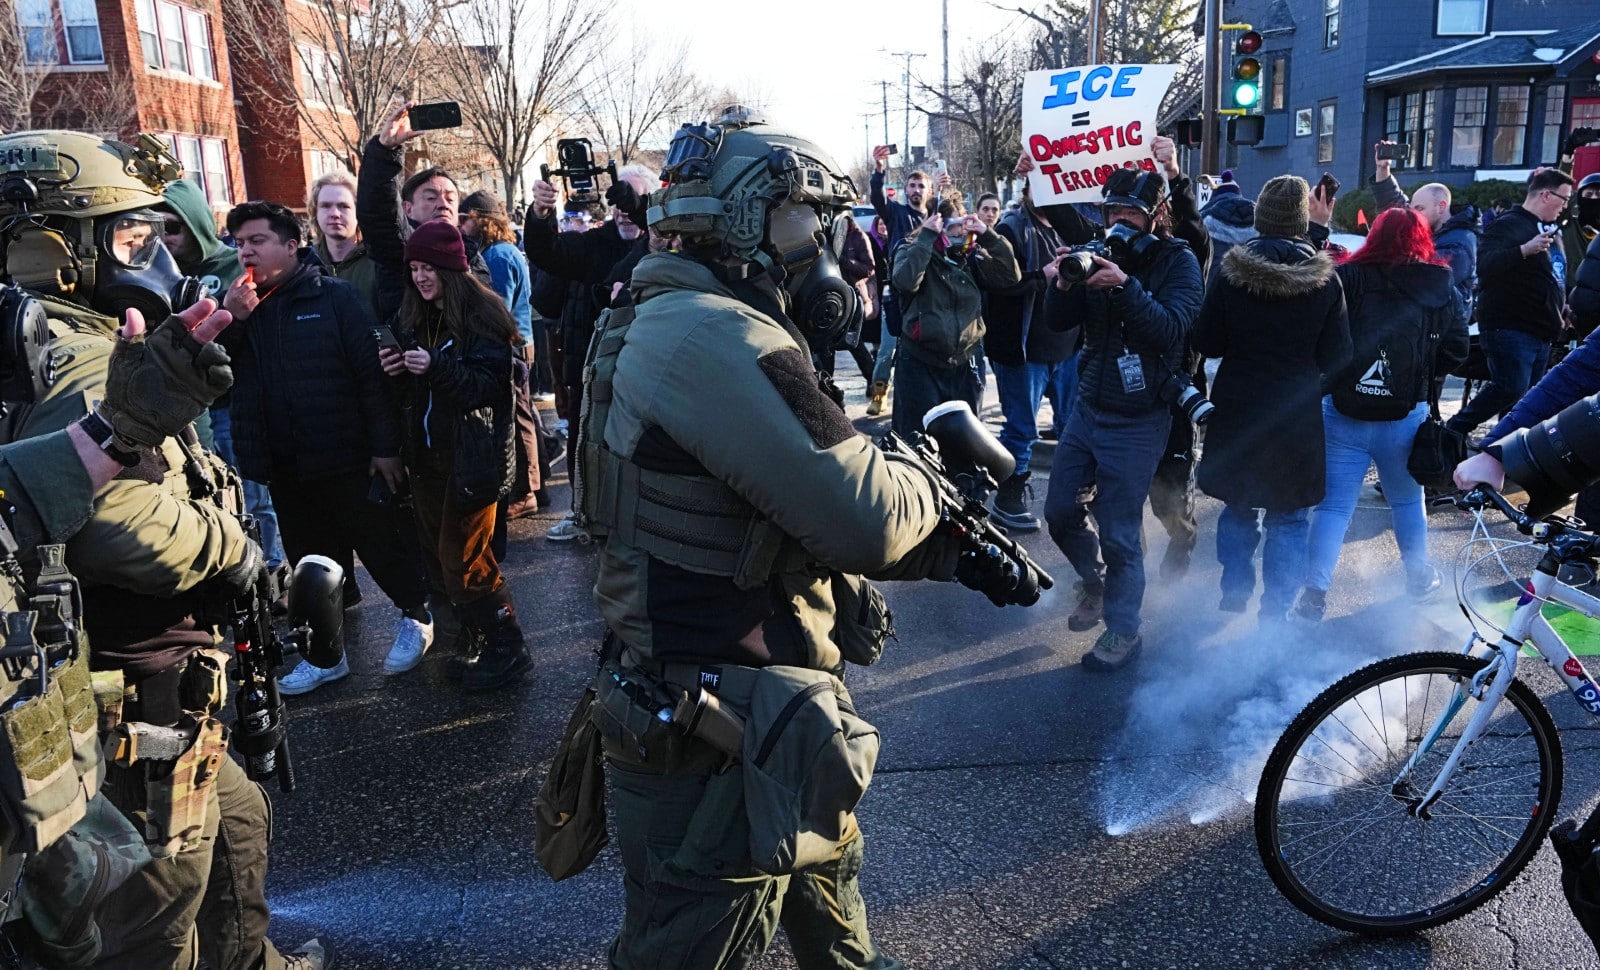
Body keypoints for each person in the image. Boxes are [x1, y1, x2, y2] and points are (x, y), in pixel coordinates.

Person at [581, 116, 971, 969]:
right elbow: (862, 514)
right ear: (753, 222)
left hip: (764, 716)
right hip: (713, 736)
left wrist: (935, 541)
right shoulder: (717, 334)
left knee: (836, 932)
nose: (822, 248)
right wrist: (934, 488)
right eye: (807, 220)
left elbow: (768, 497)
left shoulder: (679, 310)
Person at [0, 130, 328, 970]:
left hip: (153, 695)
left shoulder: (61, 338)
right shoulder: (79, 357)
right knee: (154, 924)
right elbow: (114, 520)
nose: (152, 255)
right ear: (56, 254)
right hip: (133, 701)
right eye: (130, 237)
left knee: (239, 821)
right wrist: (234, 549)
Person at [219, 201, 433, 692]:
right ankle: (325, 655)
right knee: (311, 563)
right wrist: (232, 320)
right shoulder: (237, 306)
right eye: (240, 242)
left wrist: (386, 448)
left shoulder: (334, 298)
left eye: (258, 241)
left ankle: (416, 617)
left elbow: (371, 380)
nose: (246, 251)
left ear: (292, 246)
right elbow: (215, 375)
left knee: (383, 546)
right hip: (283, 463)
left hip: (346, 455)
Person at [1038, 167, 1203, 670]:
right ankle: (1096, 582)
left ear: (1157, 216)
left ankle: (1124, 631)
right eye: (1113, 212)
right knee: (1059, 511)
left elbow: (1173, 331)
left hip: (1140, 417)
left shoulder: (1179, 260)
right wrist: (1062, 284)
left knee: (1120, 531)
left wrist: (1126, 286)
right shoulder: (1097, 250)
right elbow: (1058, 323)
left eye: (1131, 212)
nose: (1120, 221)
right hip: (1089, 407)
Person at [374, 221, 532, 690]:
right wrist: (399, 368)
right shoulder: (414, 315)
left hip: (472, 459)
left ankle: (508, 647)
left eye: (430, 268)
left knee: (463, 558)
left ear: (452, 269)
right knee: (442, 562)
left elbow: (487, 388)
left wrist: (436, 365)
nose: (421, 277)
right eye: (415, 268)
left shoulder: (483, 315)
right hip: (427, 459)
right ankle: (478, 640)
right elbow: (416, 394)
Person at [1295, 208, 1469, 620]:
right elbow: (1458, 352)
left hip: (1343, 410)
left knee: (1334, 508)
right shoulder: (1441, 284)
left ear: (1373, 236)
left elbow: (1318, 337)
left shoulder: (1347, 277)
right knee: (1407, 502)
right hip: (1406, 416)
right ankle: (1419, 579)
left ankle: (1314, 594)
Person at [1192, 176, 1351, 621]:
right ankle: (1275, 612)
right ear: (1302, 221)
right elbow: (1340, 357)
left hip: (1239, 407)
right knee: (1290, 517)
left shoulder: (1231, 275)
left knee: (1239, 506)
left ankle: (1235, 590)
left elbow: (1209, 341)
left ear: (1260, 217)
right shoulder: (1325, 281)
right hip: (1296, 413)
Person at [524, 163, 655, 542]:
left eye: (630, 198)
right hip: (591, 364)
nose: (621, 208)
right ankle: (582, 512)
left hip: (644, 365)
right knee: (586, 443)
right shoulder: (595, 242)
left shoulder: (666, 241)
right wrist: (541, 214)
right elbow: (548, 253)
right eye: (616, 199)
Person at [985, 180, 1084, 531]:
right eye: (1039, 186)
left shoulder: (1072, 224)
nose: (1047, 194)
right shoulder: (1011, 227)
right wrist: (1041, 276)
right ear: (1027, 189)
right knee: (1021, 432)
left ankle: (1076, 498)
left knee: (1073, 428)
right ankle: (1007, 500)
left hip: (1069, 348)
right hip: (1025, 352)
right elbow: (995, 282)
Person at [1446, 168, 1573, 439]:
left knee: (1525, 401)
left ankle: (1503, 450)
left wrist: (1563, 306)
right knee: (1509, 388)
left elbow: (1554, 276)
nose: (1566, 207)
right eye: (1563, 199)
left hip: (1543, 330)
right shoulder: (1509, 224)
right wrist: (1523, 250)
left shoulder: (1552, 231)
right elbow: (1486, 265)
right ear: (1546, 195)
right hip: (1509, 325)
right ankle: (1453, 430)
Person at [889, 194, 1019, 441]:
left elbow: (1010, 277)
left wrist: (987, 234)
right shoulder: (913, 248)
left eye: (963, 226)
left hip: (965, 363)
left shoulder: (972, 256)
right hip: (920, 362)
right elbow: (905, 281)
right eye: (952, 228)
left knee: (964, 443)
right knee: (917, 439)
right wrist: (926, 239)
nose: (960, 234)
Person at [459, 189, 546, 520]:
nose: (461, 225)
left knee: (518, 416)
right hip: (521, 341)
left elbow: (498, 308)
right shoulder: (506, 250)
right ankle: (536, 485)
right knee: (524, 413)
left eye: (466, 219)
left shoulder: (496, 256)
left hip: (512, 344)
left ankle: (526, 491)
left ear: (482, 221)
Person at [1371, 142, 1479, 317]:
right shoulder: (1432, 226)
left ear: (1441, 206)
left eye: (1419, 209)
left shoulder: (1460, 243)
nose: (1413, 214)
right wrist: (1383, 169)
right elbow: (1396, 204)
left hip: (1442, 335)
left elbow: (1423, 278)